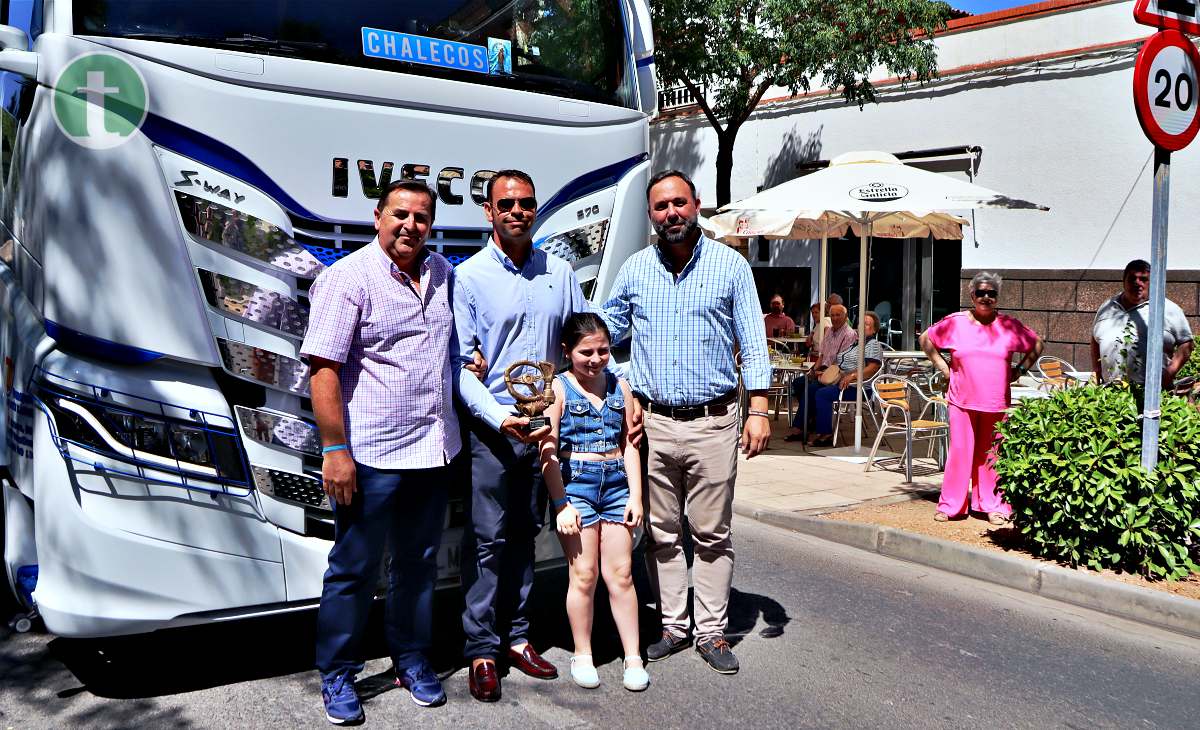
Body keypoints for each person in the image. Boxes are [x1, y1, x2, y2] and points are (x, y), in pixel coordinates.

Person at [600, 170, 771, 675]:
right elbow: (602, 332)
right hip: (651, 424)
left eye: (679, 203)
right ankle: (675, 625)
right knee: (661, 532)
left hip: (714, 422)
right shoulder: (634, 270)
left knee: (712, 533)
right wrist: (621, 383)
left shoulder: (731, 266)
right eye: (660, 207)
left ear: (696, 204)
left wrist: (758, 412)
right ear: (650, 215)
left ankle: (712, 631)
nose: (670, 213)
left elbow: (754, 343)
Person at [303, 180, 459, 723]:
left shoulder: (442, 274)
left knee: (417, 568)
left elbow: (446, 351)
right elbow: (322, 368)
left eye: (421, 218)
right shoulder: (347, 278)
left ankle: (412, 660)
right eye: (400, 214)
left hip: (432, 450)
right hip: (370, 454)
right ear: (377, 217)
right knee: (354, 569)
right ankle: (338, 673)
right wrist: (335, 450)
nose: (410, 226)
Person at [451, 169, 579, 702]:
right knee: (488, 542)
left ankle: (519, 639)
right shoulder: (470, 277)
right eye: (507, 204)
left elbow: (576, 346)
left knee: (527, 538)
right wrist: (498, 418)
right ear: (489, 211)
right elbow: (461, 366)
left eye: (526, 203)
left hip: (544, 430)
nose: (518, 211)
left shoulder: (561, 272)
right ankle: (482, 647)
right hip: (494, 429)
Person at [538, 313, 649, 692]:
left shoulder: (621, 387)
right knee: (583, 575)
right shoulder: (559, 389)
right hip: (577, 488)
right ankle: (582, 652)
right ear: (568, 351)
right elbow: (547, 451)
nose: (596, 358)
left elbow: (630, 444)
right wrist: (560, 504)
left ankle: (632, 655)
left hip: (617, 485)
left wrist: (636, 496)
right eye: (587, 351)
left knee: (621, 575)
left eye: (603, 350)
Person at [920, 273, 1043, 525]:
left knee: (991, 455)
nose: (986, 297)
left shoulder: (1009, 326)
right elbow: (926, 339)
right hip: (961, 400)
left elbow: (1037, 345)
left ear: (997, 297)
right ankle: (951, 505)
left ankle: (992, 504)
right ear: (972, 295)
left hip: (995, 402)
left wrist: (1019, 371)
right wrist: (945, 369)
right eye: (981, 292)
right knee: (960, 452)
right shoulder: (956, 322)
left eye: (991, 293)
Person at [1091, 259, 1194, 387]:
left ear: (1153, 283)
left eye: (1143, 279)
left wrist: (1169, 374)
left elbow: (1186, 344)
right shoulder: (1107, 307)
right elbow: (1095, 338)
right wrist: (1097, 369)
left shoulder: (1168, 309)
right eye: (1132, 279)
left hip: (1152, 393)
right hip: (1111, 391)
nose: (1137, 283)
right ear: (1124, 282)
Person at [807, 311, 885, 447]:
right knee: (812, 387)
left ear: (874, 330)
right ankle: (810, 425)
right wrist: (828, 372)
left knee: (822, 394)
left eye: (866, 324)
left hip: (857, 388)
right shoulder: (856, 343)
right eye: (861, 323)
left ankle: (826, 434)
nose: (862, 326)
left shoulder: (872, 344)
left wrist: (852, 376)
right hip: (843, 382)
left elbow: (872, 368)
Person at [785, 303, 856, 442]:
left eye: (838, 315)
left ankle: (800, 428)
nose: (835, 318)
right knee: (799, 383)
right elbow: (822, 356)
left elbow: (843, 362)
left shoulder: (850, 334)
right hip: (823, 371)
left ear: (845, 317)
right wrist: (814, 370)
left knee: (811, 390)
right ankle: (811, 417)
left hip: (837, 375)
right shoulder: (829, 331)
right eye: (832, 315)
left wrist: (822, 374)